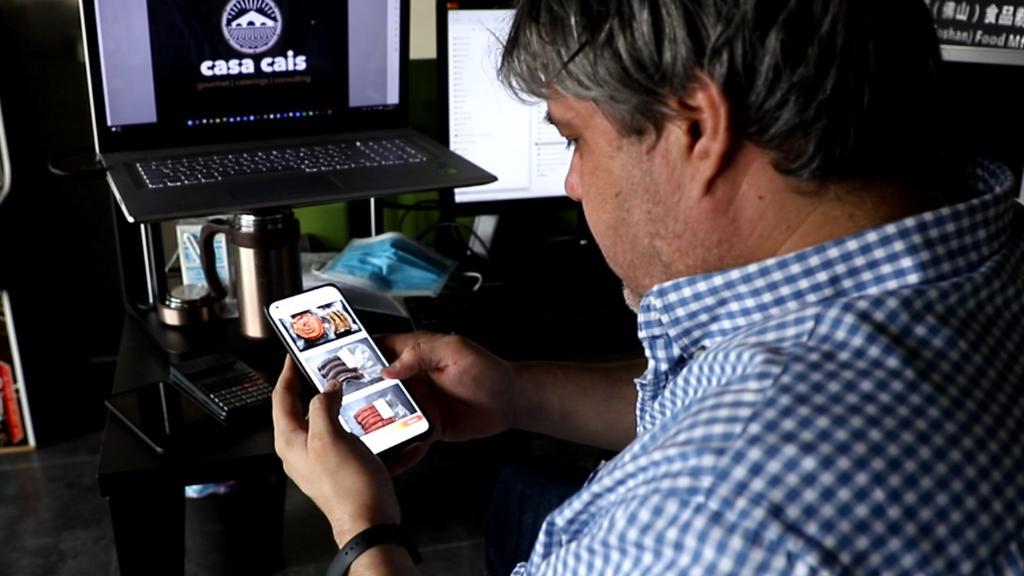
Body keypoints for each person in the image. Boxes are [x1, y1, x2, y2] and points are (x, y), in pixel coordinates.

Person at [272, 0, 1024, 574]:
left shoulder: (699, 518)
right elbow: (718, 393)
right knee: (517, 488)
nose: (572, 183)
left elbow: (730, 455)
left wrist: (364, 527)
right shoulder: (985, 250)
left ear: (698, 128)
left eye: (574, 138)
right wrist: (516, 393)